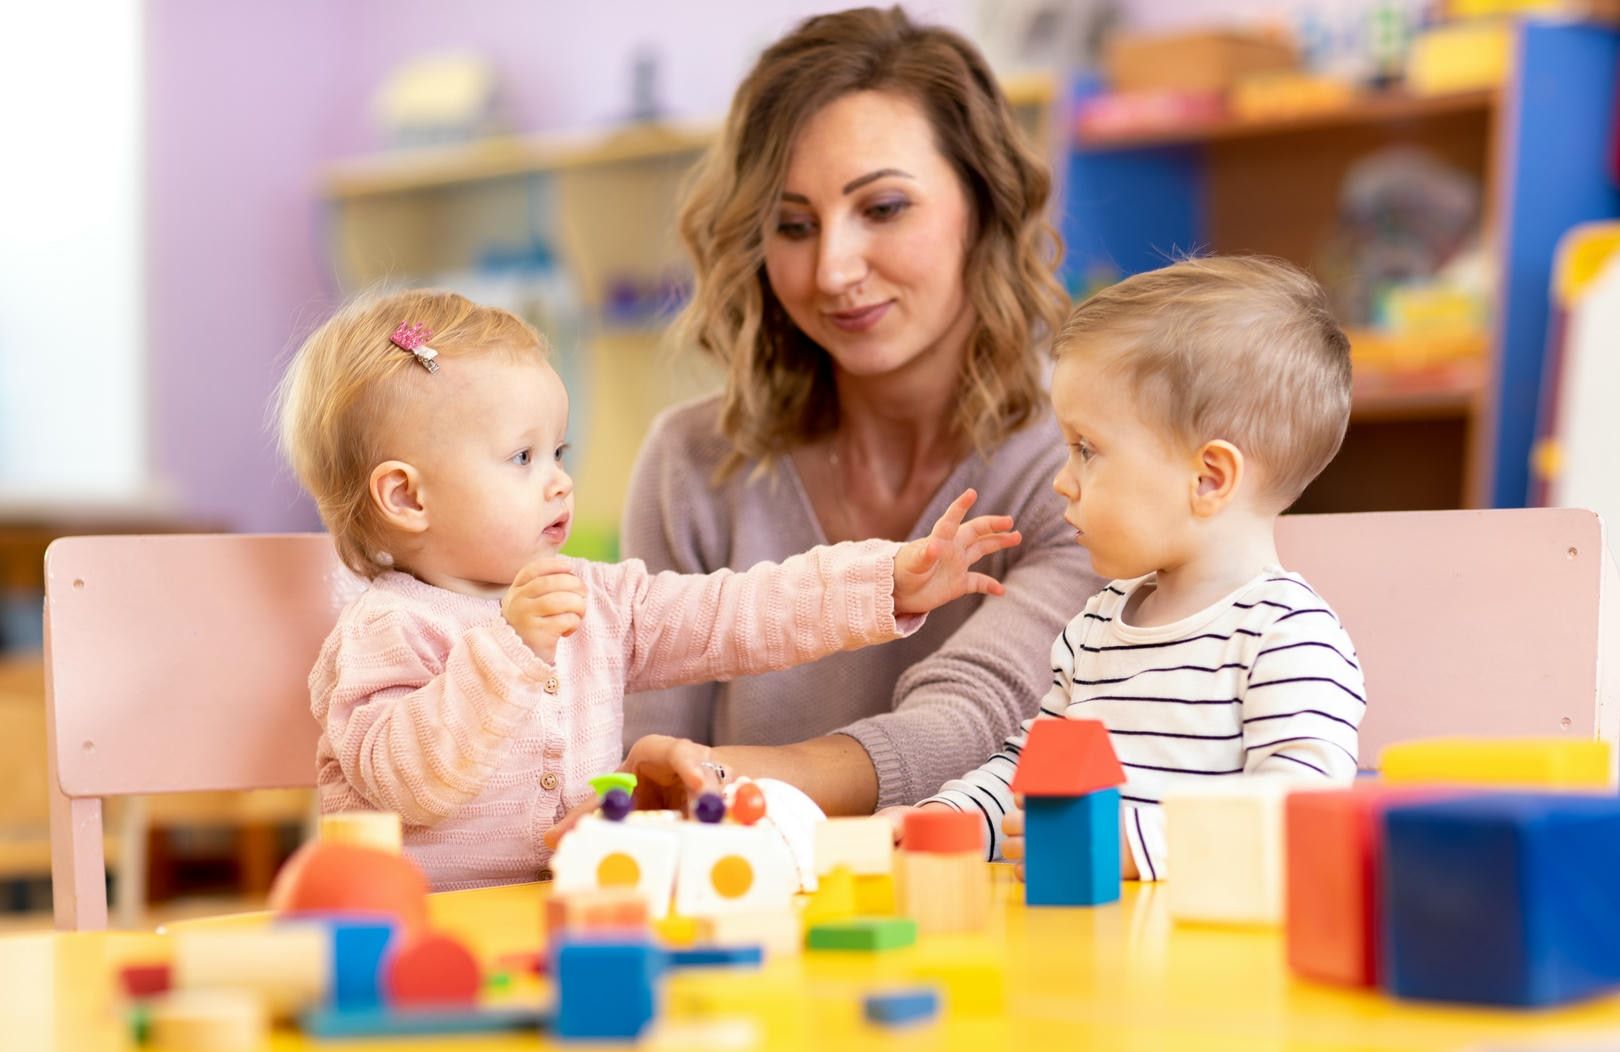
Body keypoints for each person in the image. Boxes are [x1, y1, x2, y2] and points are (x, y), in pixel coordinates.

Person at [273, 288, 1020, 890]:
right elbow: (409, 783)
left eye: (557, 450)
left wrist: (885, 581)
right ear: (407, 497)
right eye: (522, 456)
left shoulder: (595, 597)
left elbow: (734, 613)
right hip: (423, 932)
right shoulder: (386, 629)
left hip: (575, 904)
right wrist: (511, 649)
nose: (560, 480)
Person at [619, 6, 1100, 817]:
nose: (834, 269)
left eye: (882, 209)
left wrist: (716, 783)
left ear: (982, 204)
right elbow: (638, 759)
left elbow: (975, 723)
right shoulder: (692, 466)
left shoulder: (1081, 456)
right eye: (792, 225)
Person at [911, 256, 1366, 880]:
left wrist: (1139, 845)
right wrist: (941, 821)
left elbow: (1301, 817)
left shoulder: (1287, 636)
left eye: (1087, 450)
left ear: (1209, 478)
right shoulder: (1095, 628)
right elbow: (1029, 777)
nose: (1060, 482)